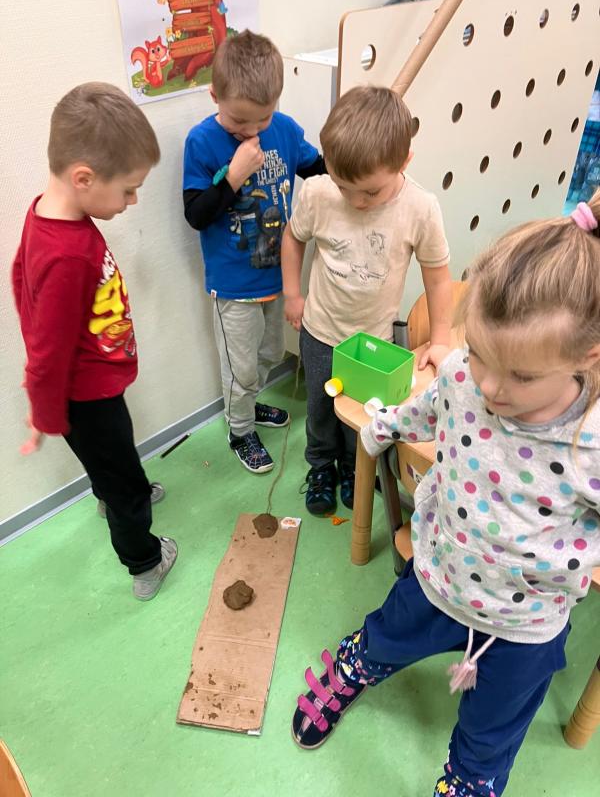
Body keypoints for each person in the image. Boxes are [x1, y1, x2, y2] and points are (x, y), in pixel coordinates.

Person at [291, 195, 600, 797]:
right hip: (438, 572)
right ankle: (358, 663)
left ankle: (468, 780)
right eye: (480, 353)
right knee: (384, 635)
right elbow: (429, 406)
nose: (490, 386)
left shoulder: (591, 440)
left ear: (586, 358)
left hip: (525, 625)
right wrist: (382, 426)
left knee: (490, 737)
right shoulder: (462, 374)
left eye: (521, 375)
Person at [12, 82, 175, 601]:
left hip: (93, 385)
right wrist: (44, 414)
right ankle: (145, 562)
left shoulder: (49, 213)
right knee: (125, 483)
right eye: (128, 190)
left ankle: (112, 489)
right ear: (84, 178)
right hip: (86, 397)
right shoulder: (67, 254)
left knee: (111, 461)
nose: (133, 200)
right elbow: (47, 351)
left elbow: (19, 278)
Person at [281, 85, 452, 515]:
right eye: (344, 187)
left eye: (370, 193)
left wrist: (441, 339)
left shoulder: (420, 208)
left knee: (363, 412)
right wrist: (293, 294)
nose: (356, 201)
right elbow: (293, 238)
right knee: (320, 410)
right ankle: (321, 467)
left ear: (404, 162)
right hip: (321, 333)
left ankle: (355, 468)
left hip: (375, 341)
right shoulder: (318, 193)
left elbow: (438, 277)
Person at [183, 30, 326, 474]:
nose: (251, 131)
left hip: (277, 276)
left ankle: (247, 403)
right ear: (215, 96)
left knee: (270, 355)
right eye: (239, 121)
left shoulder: (283, 130)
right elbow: (195, 214)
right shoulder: (202, 142)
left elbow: (317, 168)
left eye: (261, 119)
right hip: (233, 286)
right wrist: (234, 176)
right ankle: (240, 429)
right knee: (240, 367)